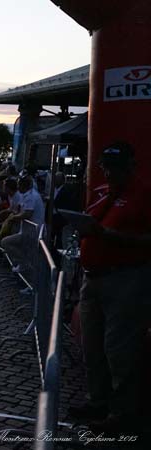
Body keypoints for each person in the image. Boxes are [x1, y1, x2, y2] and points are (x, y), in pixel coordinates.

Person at [69, 142, 151, 434]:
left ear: (130, 167)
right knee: (92, 345)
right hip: (93, 278)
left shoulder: (144, 195)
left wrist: (109, 236)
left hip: (126, 279)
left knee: (119, 349)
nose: (108, 173)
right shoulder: (102, 192)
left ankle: (122, 412)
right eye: (105, 167)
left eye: (115, 167)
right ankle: (98, 400)